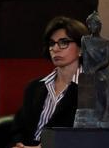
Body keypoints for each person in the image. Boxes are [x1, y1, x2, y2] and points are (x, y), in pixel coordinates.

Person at [8, 16, 88, 147]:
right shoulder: (34, 87)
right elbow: (18, 128)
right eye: (52, 43)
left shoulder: (92, 89)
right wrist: (19, 145)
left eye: (63, 42)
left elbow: (85, 136)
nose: (55, 49)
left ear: (81, 48)